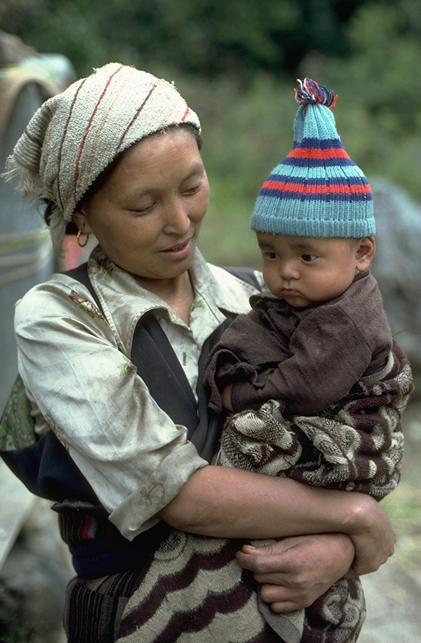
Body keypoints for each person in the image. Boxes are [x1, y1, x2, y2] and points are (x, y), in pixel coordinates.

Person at [1, 64, 397, 643]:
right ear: (81, 215)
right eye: (142, 206)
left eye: (192, 186)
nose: (180, 222)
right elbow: (176, 491)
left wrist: (336, 553)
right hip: (146, 617)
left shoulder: (258, 300)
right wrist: (358, 523)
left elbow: (350, 431)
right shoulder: (62, 317)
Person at [202, 78, 413, 641]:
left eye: (306, 256)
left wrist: (238, 394)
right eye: (270, 254)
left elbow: (305, 389)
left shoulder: (346, 318)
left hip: (341, 442)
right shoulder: (308, 299)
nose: (284, 272)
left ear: (362, 253)